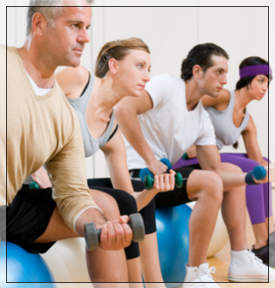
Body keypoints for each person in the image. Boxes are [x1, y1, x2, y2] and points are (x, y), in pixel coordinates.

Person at [0, 1, 138, 286]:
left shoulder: (64, 115)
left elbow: (73, 195)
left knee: (107, 209)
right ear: (39, 25)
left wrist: (103, 228)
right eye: (75, 25)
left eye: (87, 28)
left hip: (8, 207)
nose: (86, 37)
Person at [115, 43, 275, 286]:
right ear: (198, 71)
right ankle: (195, 273)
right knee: (211, 182)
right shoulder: (168, 86)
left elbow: (216, 170)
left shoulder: (201, 118)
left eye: (226, 73)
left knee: (233, 170)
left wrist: (253, 177)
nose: (224, 80)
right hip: (138, 177)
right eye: (219, 72)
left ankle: (241, 258)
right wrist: (151, 160)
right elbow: (123, 109)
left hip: (165, 179)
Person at [31, 37, 176, 287]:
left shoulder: (112, 130)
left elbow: (128, 199)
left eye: (149, 69)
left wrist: (152, 191)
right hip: (26, 182)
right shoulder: (78, 80)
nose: (147, 76)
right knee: (122, 200)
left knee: (131, 195)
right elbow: (22, 104)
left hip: (63, 190)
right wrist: (34, 167)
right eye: (140, 66)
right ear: (114, 66)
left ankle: (150, 284)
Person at [174, 56, 274, 267]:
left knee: (265, 164)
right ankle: (262, 245)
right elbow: (188, 104)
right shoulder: (223, 98)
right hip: (189, 159)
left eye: (268, 82)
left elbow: (257, 159)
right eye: (261, 80)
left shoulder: (248, 121)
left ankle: (270, 234)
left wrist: (270, 169)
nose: (265, 87)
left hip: (212, 161)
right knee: (255, 170)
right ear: (247, 79)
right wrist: (189, 138)